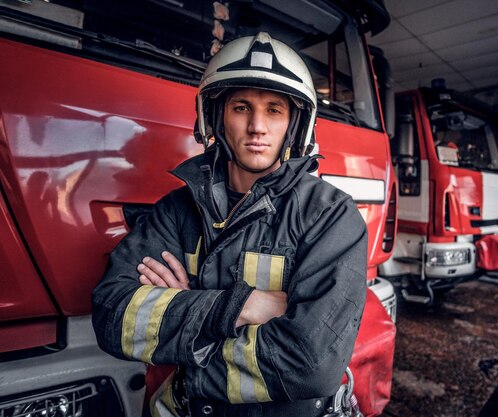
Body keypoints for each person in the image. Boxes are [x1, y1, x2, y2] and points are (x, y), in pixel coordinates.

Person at [91, 32, 367, 417]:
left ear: (295, 124)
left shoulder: (330, 216)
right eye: (241, 107)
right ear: (215, 116)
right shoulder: (175, 210)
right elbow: (112, 316)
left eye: (274, 110)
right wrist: (243, 305)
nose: (257, 126)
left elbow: (311, 363)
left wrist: (185, 319)